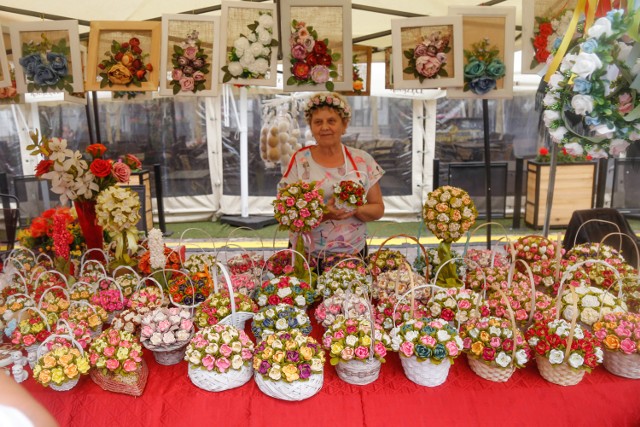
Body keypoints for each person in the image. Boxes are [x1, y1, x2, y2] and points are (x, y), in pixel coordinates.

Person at [279, 92, 385, 263]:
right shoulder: (299, 160)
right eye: (318, 122)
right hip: (305, 254)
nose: (325, 127)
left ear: (344, 125)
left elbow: (378, 209)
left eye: (331, 121)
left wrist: (354, 209)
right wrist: (324, 214)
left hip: (352, 254)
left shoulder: (362, 160)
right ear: (311, 128)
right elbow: (284, 212)